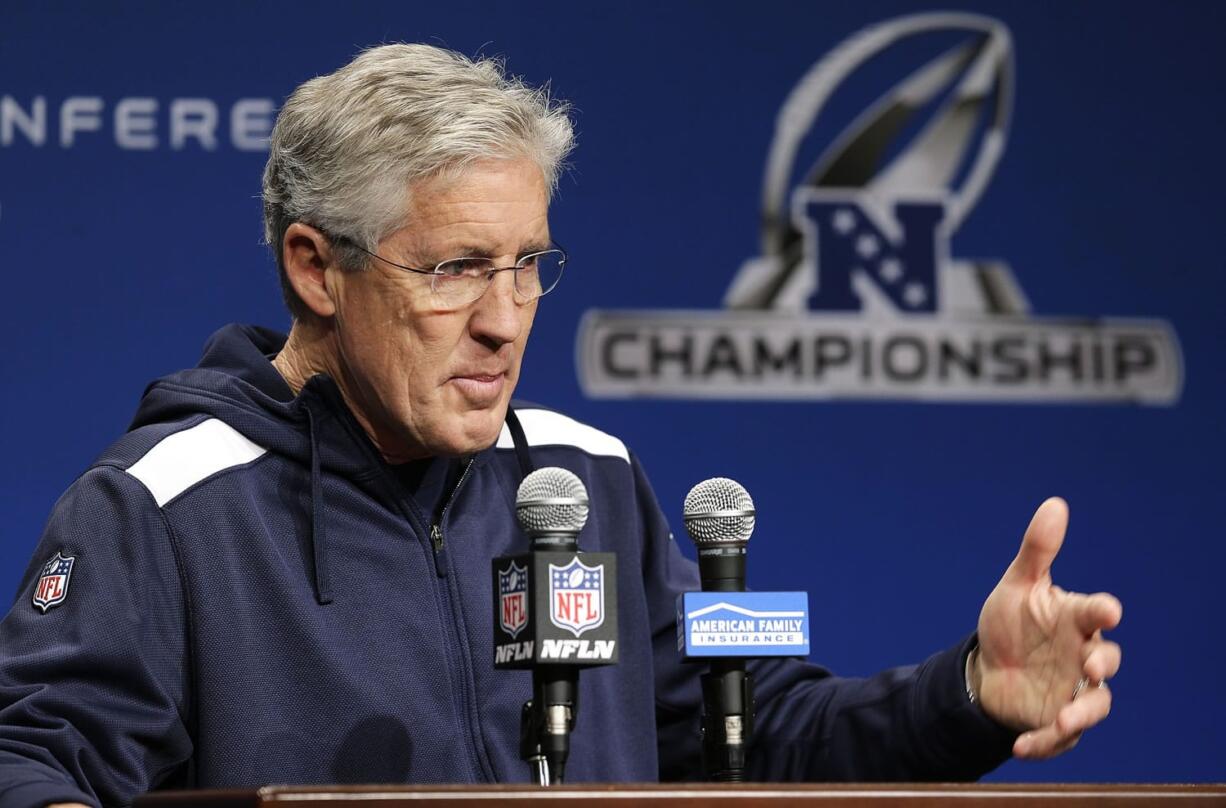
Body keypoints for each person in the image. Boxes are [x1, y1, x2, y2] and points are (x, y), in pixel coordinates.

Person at [0, 44, 1121, 808]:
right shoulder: (166, 503)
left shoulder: (586, 479)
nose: (502, 321)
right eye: (452, 270)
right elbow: (33, 758)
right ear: (315, 268)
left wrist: (969, 690)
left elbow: (758, 724)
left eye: (526, 264)